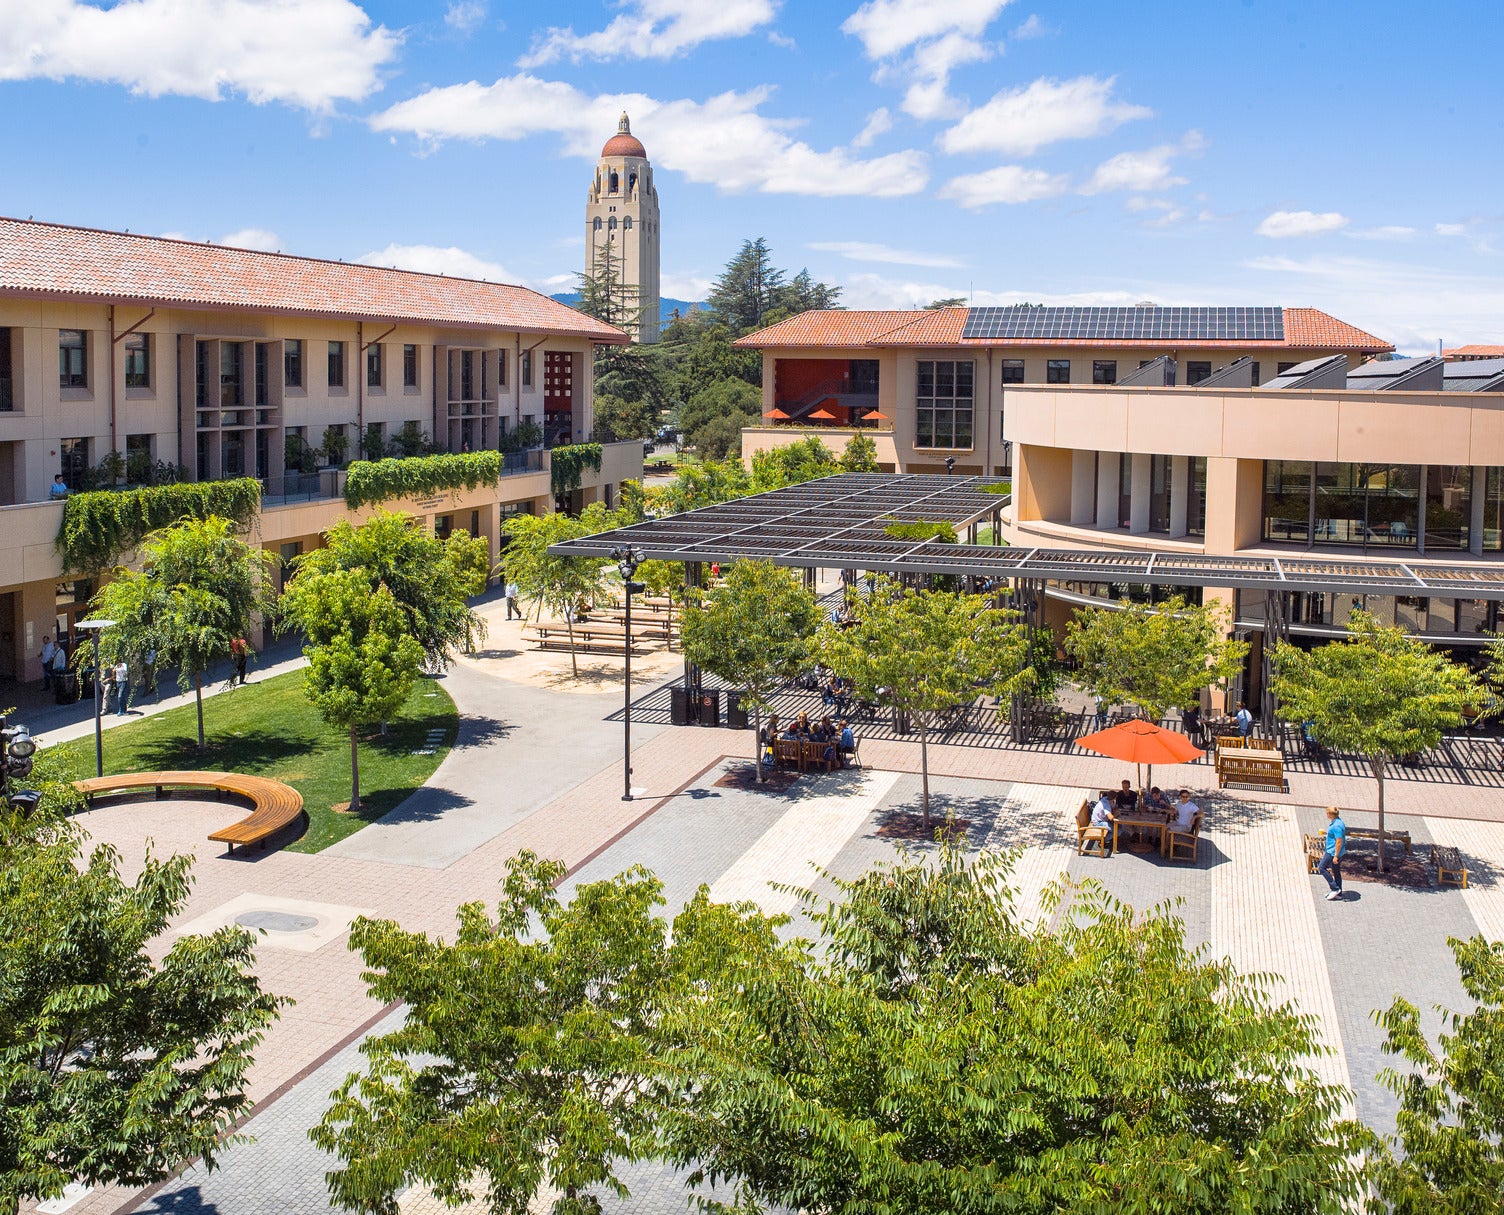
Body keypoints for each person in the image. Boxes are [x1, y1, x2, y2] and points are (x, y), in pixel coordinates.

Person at [1318, 806, 1346, 901]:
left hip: (1332, 852)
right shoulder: (1338, 822)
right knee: (1336, 871)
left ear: (1331, 814)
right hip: (1337, 851)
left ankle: (1335, 888)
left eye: (1327, 813)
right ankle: (1339, 893)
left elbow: (1339, 841)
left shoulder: (1336, 826)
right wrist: (1327, 833)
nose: (1326, 815)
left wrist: (1335, 856)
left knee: (1321, 867)